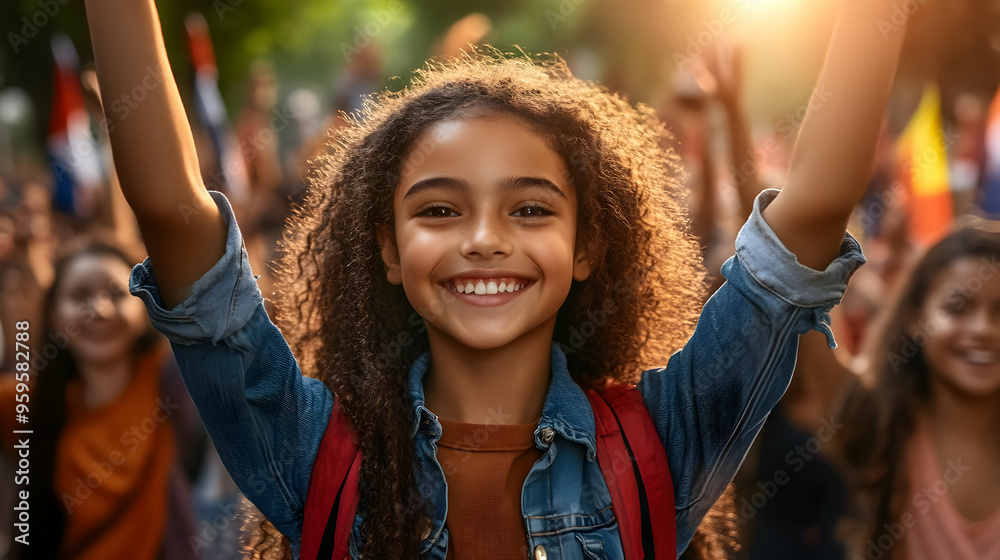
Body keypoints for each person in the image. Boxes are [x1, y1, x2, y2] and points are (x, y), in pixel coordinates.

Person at [83, 0, 903, 558]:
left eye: (531, 211)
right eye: (439, 211)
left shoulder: (662, 439)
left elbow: (815, 206)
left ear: (587, 247)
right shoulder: (315, 451)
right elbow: (171, 212)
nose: (483, 240)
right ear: (388, 250)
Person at [0, 241, 204, 559]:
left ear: (144, 306)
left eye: (117, 294)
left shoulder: (172, 379)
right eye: (80, 296)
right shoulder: (29, 402)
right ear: (53, 315)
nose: (101, 309)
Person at [829, 228, 1000, 559]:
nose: (982, 329)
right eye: (957, 308)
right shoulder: (873, 415)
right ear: (914, 318)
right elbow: (794, 281)